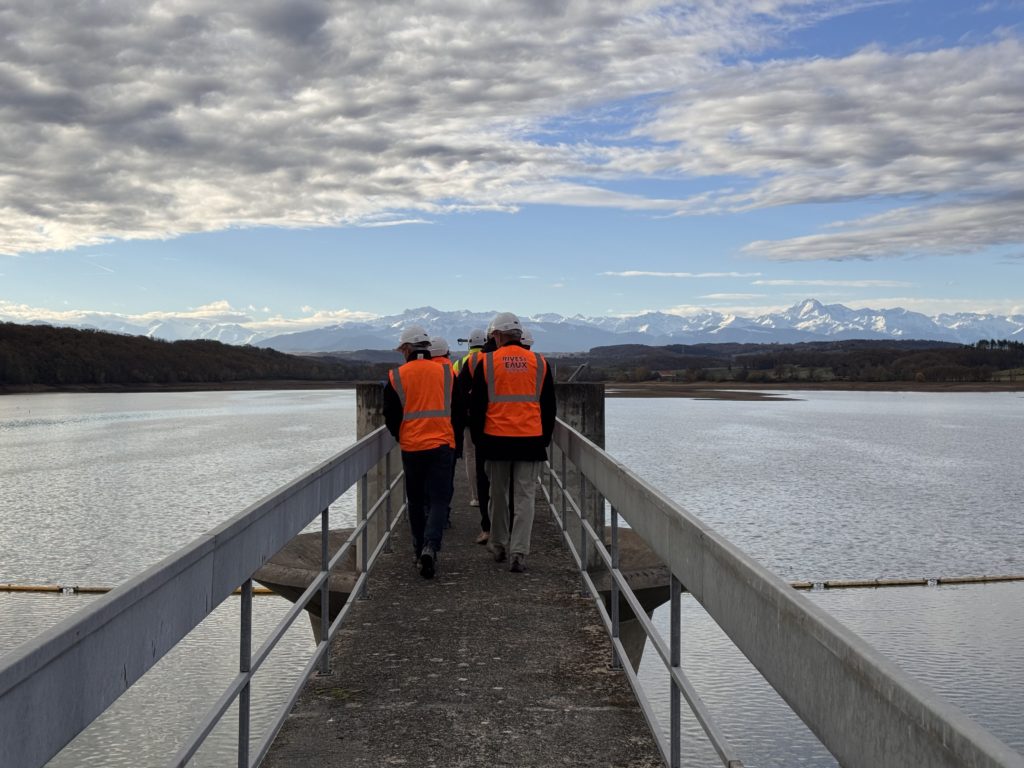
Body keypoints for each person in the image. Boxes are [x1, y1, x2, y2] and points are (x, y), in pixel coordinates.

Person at [469, 312, 555, 573]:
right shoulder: (540, 363)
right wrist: (544, 438)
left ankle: (498, 545)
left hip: (496, 440)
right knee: (526, 498)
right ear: (518, 336)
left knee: (497, 495)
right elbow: (549, 406)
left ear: (497, 335)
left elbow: (477, 407)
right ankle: (519, 552)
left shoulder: (487, 363)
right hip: (530, 440)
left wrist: (478, 441)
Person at [383, 325, 463, 579]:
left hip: (412, 447)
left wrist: (402, 434)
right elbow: (459, 409)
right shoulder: (447, 373)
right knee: (439, 500)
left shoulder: (397, 376)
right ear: (427, 348)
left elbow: (391, 415)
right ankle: (431, 545)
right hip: (442, 445)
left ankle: (419, 550)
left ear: (406, 349)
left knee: (416, 501)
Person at [453, 329, 490, 542]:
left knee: (470, 455)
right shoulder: (490, 358)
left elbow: (458, 390)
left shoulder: (461, 362)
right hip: (490, 417)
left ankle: (475, 496)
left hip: (468, 417)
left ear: (469, 344)